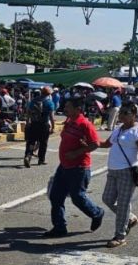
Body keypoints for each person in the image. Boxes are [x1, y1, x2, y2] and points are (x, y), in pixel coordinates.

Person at [42, 97, 105, 238]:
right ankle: (59, 227)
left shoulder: (85, 124)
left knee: (77, 197)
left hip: (79, 167)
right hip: (64, 166)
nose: (65, 109)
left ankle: (97, 213)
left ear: (78, 109)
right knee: (56, 196)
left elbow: (95, 144)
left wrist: (76, 152)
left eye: (68, 107)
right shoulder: (69, 121)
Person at [99, 103, 138, 248]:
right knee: (107, 198)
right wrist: (91, 142)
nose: (121, 115)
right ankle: (130, 218)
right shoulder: (118, 129)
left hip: (128, 171)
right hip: (113, 171)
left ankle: (120, 236)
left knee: (123, 204)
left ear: (134, 115)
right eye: (121, 112)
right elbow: (107, 144)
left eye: (125, 113)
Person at [24, 88, 56, 167]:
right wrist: (53, 127)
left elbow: (28, 112)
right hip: (44, 125)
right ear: (49, 94)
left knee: (31, 142)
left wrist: (27, 122)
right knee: (43, 143)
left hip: (34, 124)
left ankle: (28, 156)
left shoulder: (34, 100)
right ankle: (41, 160)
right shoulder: (49, 102)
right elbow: (51, 117)